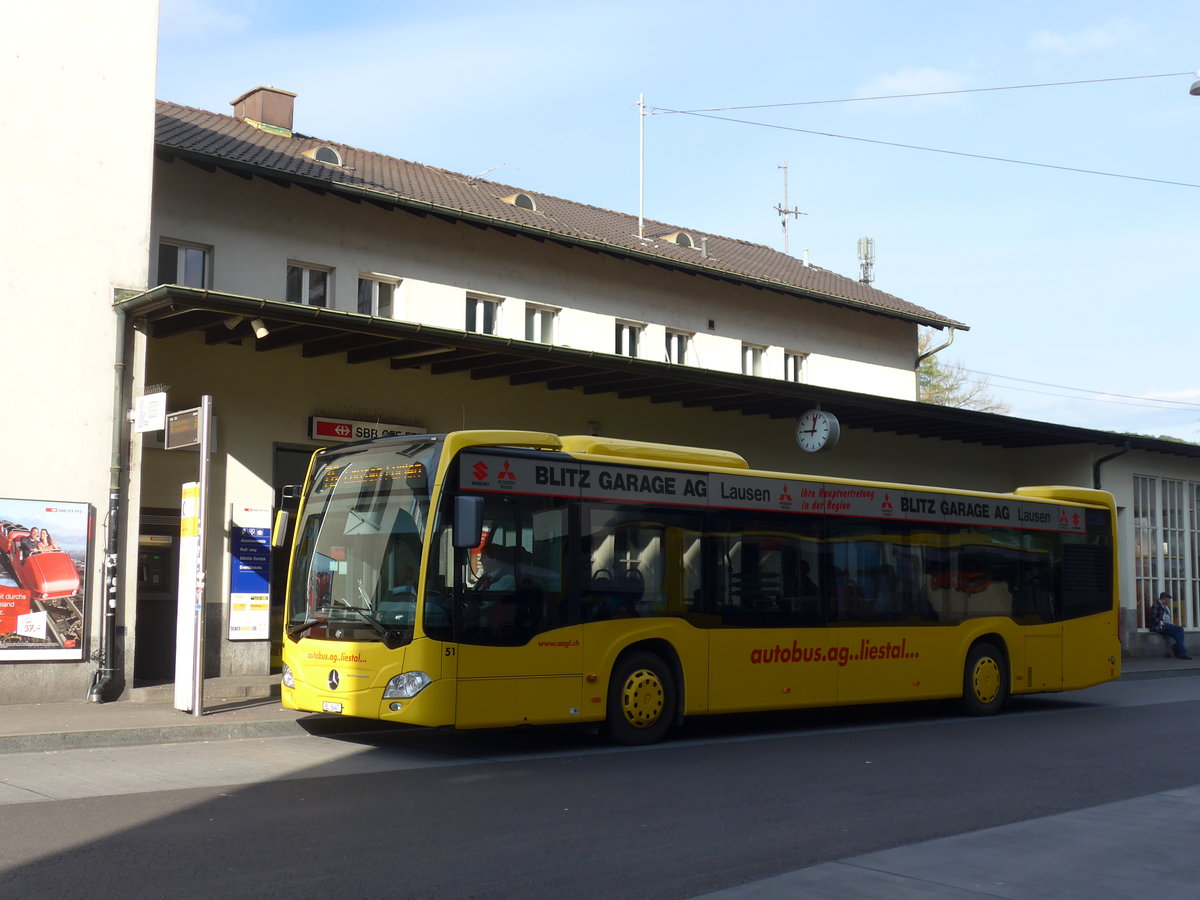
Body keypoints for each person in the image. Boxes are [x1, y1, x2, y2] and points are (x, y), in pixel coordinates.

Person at [1147, 591, 1192, 660]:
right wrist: (1161, 623)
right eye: (1167, 600)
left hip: (1165, 625)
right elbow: (1152, 618)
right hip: (1159, 627)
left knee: (1177, 634)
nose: (1168, 602)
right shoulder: (1156, 605)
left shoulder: (1164, 606)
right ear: (1163, 599)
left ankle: (1180, 652)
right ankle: (1179, 651)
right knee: (1180, 629)